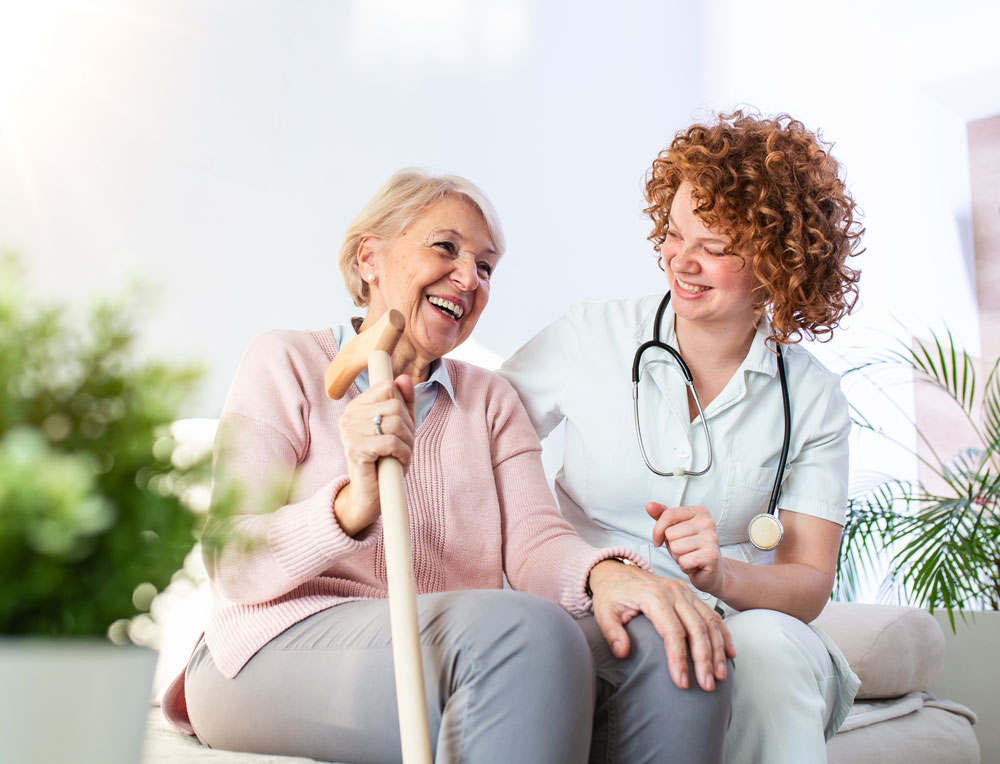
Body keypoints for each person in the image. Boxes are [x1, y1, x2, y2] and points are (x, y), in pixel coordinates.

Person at [162, 168, 735, 764]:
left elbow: (537, 546)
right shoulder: (286, 361)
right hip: (270, 648)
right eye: (446, 248)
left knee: (676, 646)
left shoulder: (490, 400)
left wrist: (605, 575)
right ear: (370, 259)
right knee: (525, 635)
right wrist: (351, 502)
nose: (468, 278)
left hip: (451, 641)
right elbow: (233, 560)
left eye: (486, 267)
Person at [500, 110, 865, 764]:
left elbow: (808, 578)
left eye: (716, 248)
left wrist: (721, 572)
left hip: (732, 615)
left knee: (771, 655)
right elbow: (480, 435)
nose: (682, 262)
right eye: (673, 233)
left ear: (780, 261)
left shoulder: (810, 396)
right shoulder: (592, 337)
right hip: (592, 597)